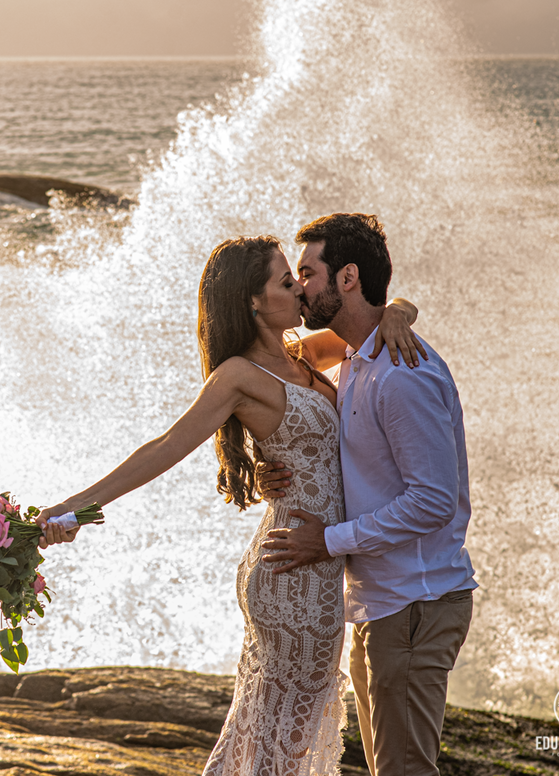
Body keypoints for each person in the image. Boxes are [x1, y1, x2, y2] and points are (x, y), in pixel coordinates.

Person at [35, 234, 421, 775]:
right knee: (279, 743)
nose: (301, 289)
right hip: (293, 572)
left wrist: (400, 312)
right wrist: (75, 509)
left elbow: (374, 327)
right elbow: (167, 446)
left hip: (316, 568)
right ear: (254, 301)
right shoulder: (239, 375)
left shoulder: (305, 354)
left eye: (299, 278)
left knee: (270, 736)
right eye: (287, 282)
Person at [258, 213, 477, 776]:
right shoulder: (354, 353)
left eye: (307, 272)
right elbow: (273, 372)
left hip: (414, 604)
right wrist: (269, 467)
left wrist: (328, 542)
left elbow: (432, 501)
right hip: (382, 605)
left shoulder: (402, 373)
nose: (299, 286)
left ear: (347, 277)